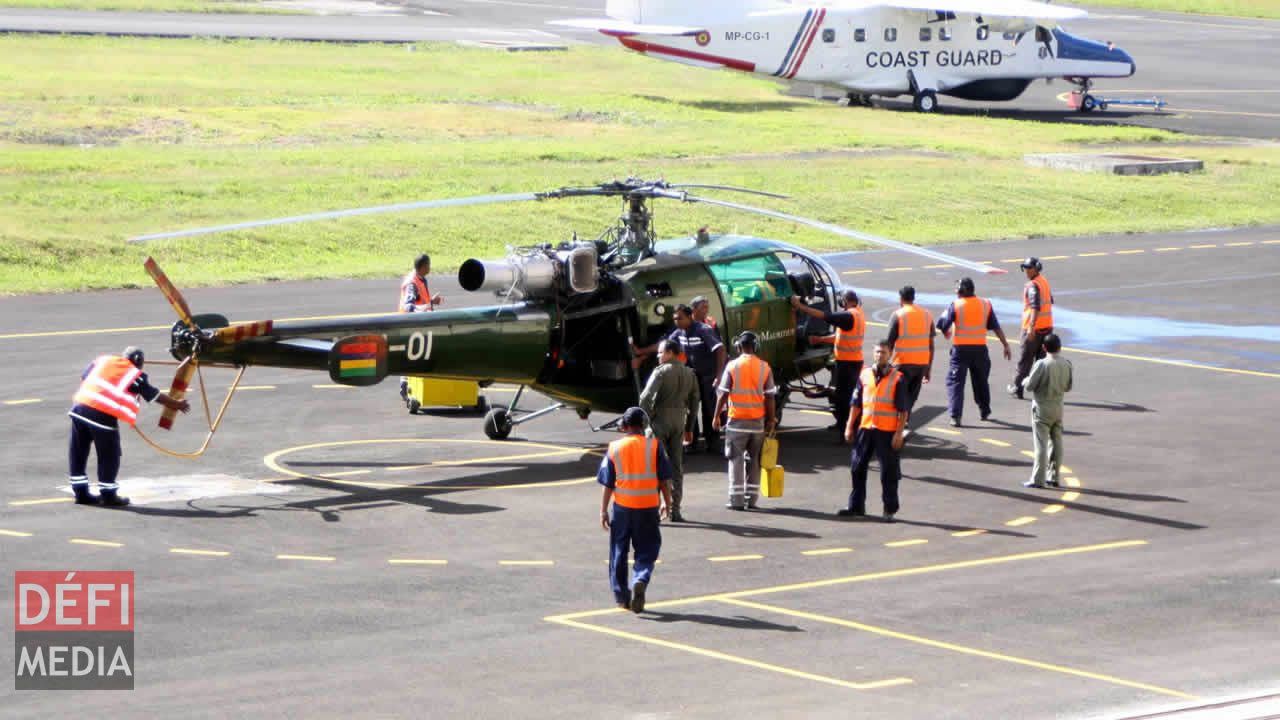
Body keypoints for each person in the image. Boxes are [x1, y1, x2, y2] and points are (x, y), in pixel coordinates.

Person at [67, 347, 190, 507]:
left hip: (79, 408)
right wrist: (177, 404)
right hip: (101, 414)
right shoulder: (134, 374)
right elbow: (152, 395)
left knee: (78, 451)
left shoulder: (103, 361)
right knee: (109, 455)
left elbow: (85, 376)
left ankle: (80, 493)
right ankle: (108, 494)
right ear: (140, 363)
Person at [598, 407, 673, 613]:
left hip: (622, 508)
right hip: (648, 507)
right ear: (644, 425)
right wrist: (667, 502)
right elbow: (664, 479)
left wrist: (603, 510)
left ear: (624, 426)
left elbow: (608, 483)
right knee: (647, 549)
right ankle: (640, 577)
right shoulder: (654, 446)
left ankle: (622, 597)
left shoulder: (614, 447)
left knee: (618, 552)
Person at [636, 304, 726, 453]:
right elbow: (663, 346)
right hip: (692, 377)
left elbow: (721, 350)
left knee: (709, 409)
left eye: (680, 318)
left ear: (690, 317)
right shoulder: (679, 332)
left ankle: (713, 442)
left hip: (708, 377)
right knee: (690, 409)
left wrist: (719, 374)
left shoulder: (703, 330)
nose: (676, 321)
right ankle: (692, 441)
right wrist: (642, 354)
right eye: (675, 318)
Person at [839, 340, 909, 522]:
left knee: (888, 472)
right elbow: (855, 404)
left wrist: (898, 434)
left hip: (887, 431)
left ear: (890, 354)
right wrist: (849, 426)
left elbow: (903, 411)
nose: (880, 356)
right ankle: (856, 506)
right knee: (857, 466)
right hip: (866, 427)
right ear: (873, 353)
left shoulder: (897, 378)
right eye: (877, 352)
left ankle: (889, 509)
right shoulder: (864, 375)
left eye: (884, 353)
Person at [712, 331, 777, 510]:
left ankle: (736, 499)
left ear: (739, 347)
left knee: (735, 459)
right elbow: (770, 397)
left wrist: (717, 416)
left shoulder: (732, 366)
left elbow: (723, 393)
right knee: (754, 459)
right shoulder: (765, 367)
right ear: (755, 347)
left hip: (737, 422)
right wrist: (771, 420)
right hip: (757, 423)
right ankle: (752, 499)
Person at [936, 277, 1012, 426]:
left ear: (961, 291)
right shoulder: (985, 304)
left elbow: (942, 324)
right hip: (980, 350)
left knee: (956, 383)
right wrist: (1005, 344)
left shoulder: (956, 305)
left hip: (960, 350)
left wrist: (946, 331)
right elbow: (995, 327)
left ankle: (955, 416)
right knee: (981, 381)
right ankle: (985, 410)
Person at [638, 340, 700, 522]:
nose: (658, 356)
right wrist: (690, 427)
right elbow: (695, 403)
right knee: (676, 466)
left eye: (660, 352)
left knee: (655, 466)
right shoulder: (690, 373)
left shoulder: (661, 372)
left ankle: (655, 509)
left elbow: (645, 398)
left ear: (671, 353)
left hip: (659, 422)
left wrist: (644, 421)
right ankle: (675, 509)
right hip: (679, 422)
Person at [791, 288, 864, 434]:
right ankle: (843, 425)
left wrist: (800, 307)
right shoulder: (857, 314)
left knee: (842, 398)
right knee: (841, 395)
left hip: (847, 364)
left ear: (846, 302)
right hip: (851, 362)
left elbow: (824, 316)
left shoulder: (848, 316)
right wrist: (820, 339)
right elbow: (839, 336)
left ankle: (846, 429)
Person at [1021, 334, 1073, 489]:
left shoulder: (1041, 364)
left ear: (1044, 348)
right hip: (1058, 406)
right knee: (1056, 441)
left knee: (1041, 444)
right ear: (1060, 347)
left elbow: (1030, 386)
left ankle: (1038, 478)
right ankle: (1054, 475)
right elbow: (1068, 387)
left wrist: (1024, 381)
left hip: (1042, 408)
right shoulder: (1066, 364)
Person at [398, 253, 443, 404]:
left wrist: (430, 302)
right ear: (424, 266)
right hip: (411, 326)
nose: (430, 268)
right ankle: (406, 387)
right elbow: (408, 306)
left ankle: (411, 387)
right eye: (429, 265)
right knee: (412, 357)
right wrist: (428, 306)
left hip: (420, 325)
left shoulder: (420, 279)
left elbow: (420, 302)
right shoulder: (412, 283)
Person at [1008, 257, 1054, 400]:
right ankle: (1041, 390)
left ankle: (1017, 388)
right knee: (1041, 362)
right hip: (1047, 328)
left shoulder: (1033, 285)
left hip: (1034, 330)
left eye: (1029, 268)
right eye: (1025, 268)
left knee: (1025, 360)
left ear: (1036, 268)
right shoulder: (1044, 282)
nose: (1026, 271)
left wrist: (1031, 327)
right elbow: (1050, 300)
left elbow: (1035, 306)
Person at [886, 285, 935, 418]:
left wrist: (884, 365)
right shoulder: (927, 315)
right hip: (921, 364)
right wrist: (928, 368)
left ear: (901, 298)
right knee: (911, 396)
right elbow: (931, 345)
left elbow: (888, 343)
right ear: (913, 298)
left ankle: (899, 423)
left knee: (898, 395)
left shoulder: (897, 315)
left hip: (902, 363)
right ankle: (905, 421)